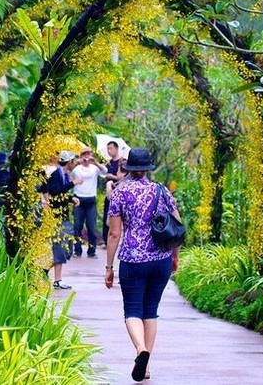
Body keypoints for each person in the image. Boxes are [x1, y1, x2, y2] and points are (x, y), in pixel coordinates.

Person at [104, 148, 182, 382]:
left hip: (132, 260)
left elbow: (114, 233)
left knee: (132, 311)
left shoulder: (120, 193)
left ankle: (140, 351)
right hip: (160, 259)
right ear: (148, 168)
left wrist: (109, 267)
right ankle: (146, 368)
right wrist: (175, 256)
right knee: (151, 311)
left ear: (128, 169)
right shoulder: (161, 190)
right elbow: (177, 224)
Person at [42, 150, 83, 289]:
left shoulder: (63, 175)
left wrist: (71, 198)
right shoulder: (56, 175)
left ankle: (45, 270)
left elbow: (59, 194)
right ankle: (57, 279)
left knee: (66, 248)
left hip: (63, 216)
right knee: (60, 247)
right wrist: (73, 183)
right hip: (56, 217)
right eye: (74, 161)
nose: (76, 163)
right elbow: (54, 192)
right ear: (69, 161)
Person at [70, 146, 107, 258]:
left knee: (91, 227)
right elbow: (70, 175)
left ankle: (92, 251)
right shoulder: (77, 169)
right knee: (77, 226)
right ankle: (77, 250)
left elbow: (105, 171)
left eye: (88, 154)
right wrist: (77, 163)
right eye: (84, 154)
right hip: (79, 200)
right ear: (81, 156)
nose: (86, 156)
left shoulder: (94, 168)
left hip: (90, 200)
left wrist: (95, 162)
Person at [102, 141, 123, 246]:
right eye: (107, 149)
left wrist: (113, 177)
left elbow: (124, 177)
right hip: (109, 193)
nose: (109, 151)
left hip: (118, 194)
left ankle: (115, 240)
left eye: (110, 148)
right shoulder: (109, 163)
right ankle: (106, 240)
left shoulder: (122, 162)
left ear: (116, 148)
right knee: (107, 217)